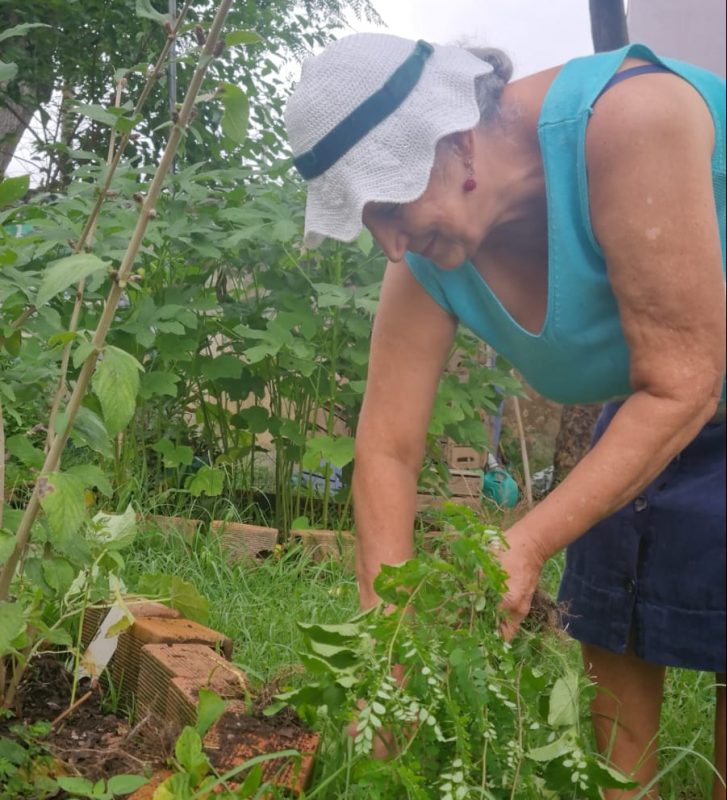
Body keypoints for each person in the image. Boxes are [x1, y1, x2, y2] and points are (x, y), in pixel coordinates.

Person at [284, 32, 726, 799]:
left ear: (453, 142)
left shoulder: (628, 121)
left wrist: (520, 546)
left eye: (387, 205)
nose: (388, 245)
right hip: (648, 406)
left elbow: (685, 382)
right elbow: (387, 446)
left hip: (681, 385)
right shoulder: (427, 258)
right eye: (367, 221)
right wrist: (386, 644)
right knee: (611, 650)